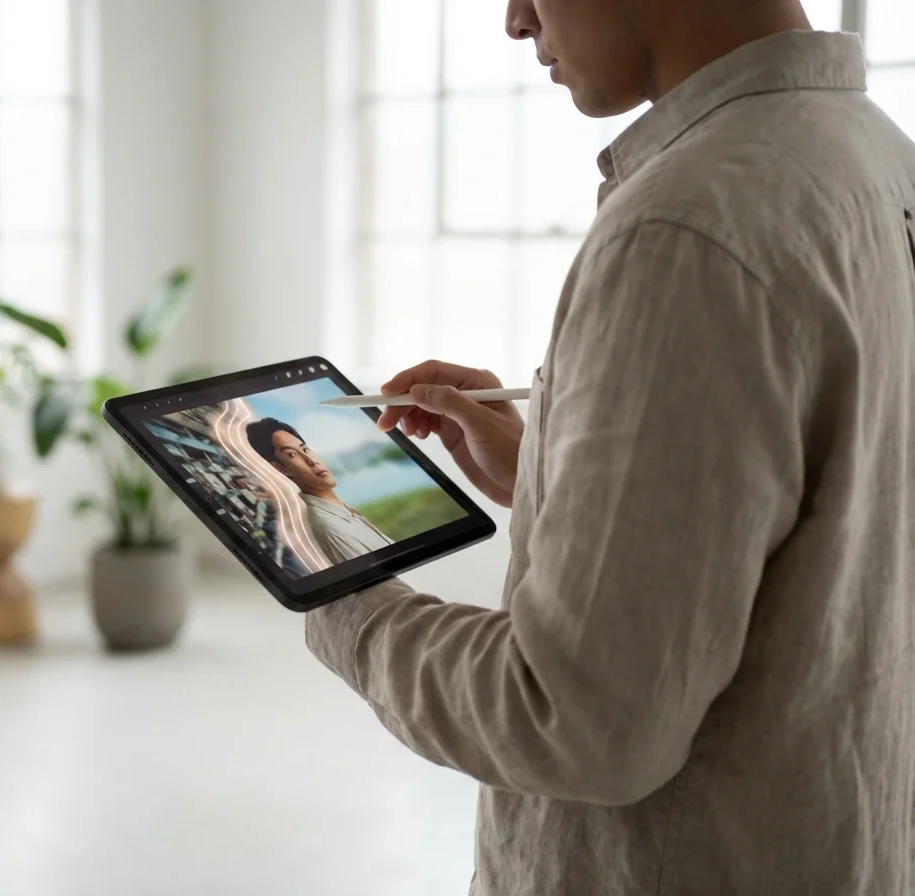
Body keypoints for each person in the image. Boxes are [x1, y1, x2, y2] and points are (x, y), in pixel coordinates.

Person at [303, 2, 915, 894]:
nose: (515, 20)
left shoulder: (684, 229)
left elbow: (578, 722)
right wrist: (552, 469)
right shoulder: (874, 154)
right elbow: (832, 511)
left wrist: (344, 597)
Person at [245, 417, 394, 564]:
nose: (311, 460)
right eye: (292, 454)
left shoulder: (342, 511)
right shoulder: (328, 526)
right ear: (281, 468)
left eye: (305, 449)